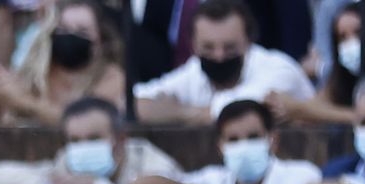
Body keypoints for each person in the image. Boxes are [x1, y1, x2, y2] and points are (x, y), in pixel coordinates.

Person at [134, 0, 313, 124]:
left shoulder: (279, 69)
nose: (219, 56)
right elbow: (138, 102)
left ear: (248, 41)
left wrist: (175, 111)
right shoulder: (195, 70)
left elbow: (235, 110)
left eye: (229, 47)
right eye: (208, 48)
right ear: (194, 46)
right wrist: (194, 114)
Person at [0, 96, 182, 184]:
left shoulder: (147, 159)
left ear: (120, 140)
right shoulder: (66, 162)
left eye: (94, 138)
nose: (82, 147)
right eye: (74, 140)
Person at [0, 0, 125, 126]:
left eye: (82, 31)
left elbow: (82, 124)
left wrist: (22, 103)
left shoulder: (112, 78)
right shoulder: (37, 72)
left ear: (101, 42)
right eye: (63, 29)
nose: (69, 36)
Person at [131, 99, 320, 184]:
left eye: (253, 137)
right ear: (221, 147)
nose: (243, 146)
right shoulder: (212, 181)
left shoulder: (301, 176)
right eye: (233, 140)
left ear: (273, 140)